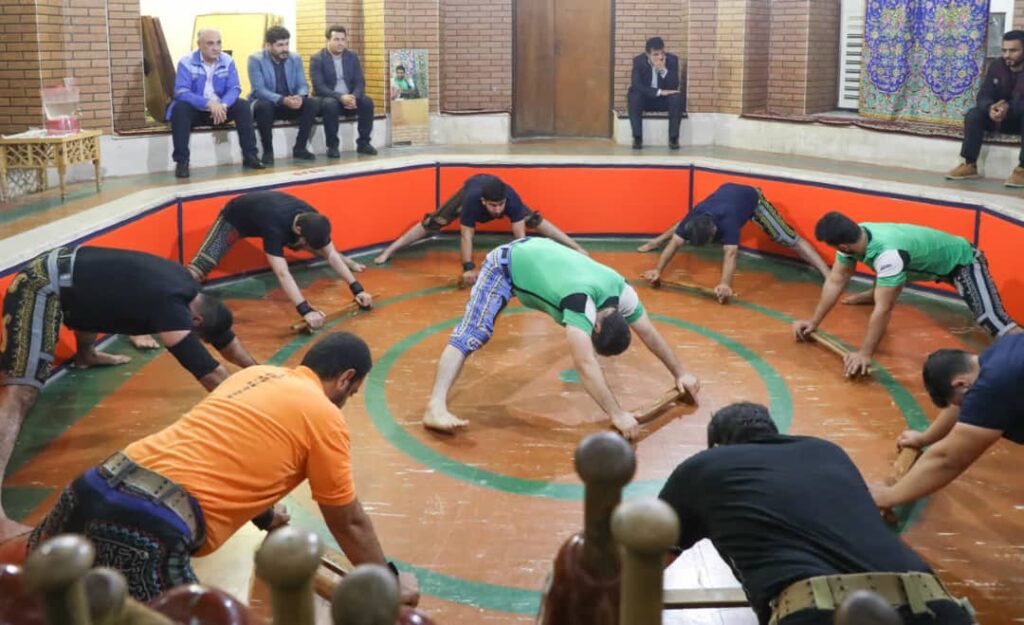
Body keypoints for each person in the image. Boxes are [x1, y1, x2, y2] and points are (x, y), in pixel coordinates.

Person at [24, 332, 420, 607]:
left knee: (35, 602)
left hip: (94, 483)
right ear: (346, 379)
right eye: (352, 392)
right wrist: (385, 581)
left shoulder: (254, 375)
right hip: (149, 525)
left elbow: (221, 446)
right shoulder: (325, 417)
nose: (348, 400)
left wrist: (265, 515)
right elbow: (348, 521)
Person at [0, 246, 256, 540]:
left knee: (94, 300)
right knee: (21, 391)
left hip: (75, 282)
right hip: (41, 283)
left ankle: (86, 355)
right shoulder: (171, 306)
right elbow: (208, 372)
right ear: (195, 321)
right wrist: (253, 407)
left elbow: (227, 342)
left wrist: (265, 377)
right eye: (196, 333)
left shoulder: (189, 290)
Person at [658, 402, 974, 625]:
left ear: (716, 447)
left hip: (819, 611)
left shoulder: (703, 467)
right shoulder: (827, 451)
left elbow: (649, 556)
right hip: (932, 603)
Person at [422, 237, 701, 438]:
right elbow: (585, 365)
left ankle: (436, 405)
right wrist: (617, 414)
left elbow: (649, 333)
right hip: (506, 264)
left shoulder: (622, 291)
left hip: (539, 254)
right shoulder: (580, 304)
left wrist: (681, 373)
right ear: (596, 328)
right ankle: (435, 407)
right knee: (474, 334)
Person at [792, 212, 1020, 377]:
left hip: (963, 262)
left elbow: (884, 309)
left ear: (842, 246)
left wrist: (864, 354)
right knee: (887, 280)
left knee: (992, 320)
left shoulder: (888, 254)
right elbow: (836, 279)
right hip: (920, 263)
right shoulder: (858, 233)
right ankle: (875, 292)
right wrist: (813, 322)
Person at [872, 335, 1024, 511]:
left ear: (960, 383)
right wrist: (924, 438)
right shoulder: (1003, 349)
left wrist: (888, 497)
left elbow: (948, 459)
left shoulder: (992, 387)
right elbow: (965, 407)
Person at [187, 191, 372, 330]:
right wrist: (305, 310)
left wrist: (358, 289)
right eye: (304, 240)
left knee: (317, 248)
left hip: (267, 214)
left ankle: (348, 262)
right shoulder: (274, 228)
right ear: (298, 230)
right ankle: (175, 295)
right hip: (234, 217)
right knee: (200, 267)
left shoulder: (314, 219)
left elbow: (330, 254)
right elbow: (282, 273)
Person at [372, 174, 587, 285]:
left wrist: (522, 266)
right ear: (484, 202)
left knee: (534, 219)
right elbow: (466, 237)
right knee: (434, 222)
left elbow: (520, 240)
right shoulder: (472, 200)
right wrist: (468, 267)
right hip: (472, 185)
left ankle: (575, 246)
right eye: (493, 206)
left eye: (500, 205)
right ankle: (390, 250)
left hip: (497, 190)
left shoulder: (511, 199)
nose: (498, 210)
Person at [640, 183, 830, 303]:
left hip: (753, 200)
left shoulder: (728, 221)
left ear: (714, 231)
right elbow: (675, 243)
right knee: (680, 228)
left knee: (788, 238)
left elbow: (730, 255)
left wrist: (725, 284)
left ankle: (828, 274)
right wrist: (658, 270)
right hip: (725, 193)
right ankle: (656, 242)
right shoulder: (694, 216)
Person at [167, 28, 264, 179]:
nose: (216, 48)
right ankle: (182, 162)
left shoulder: (227, 60)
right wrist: (208, 103)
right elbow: (181, 92)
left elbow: (235, 87)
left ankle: (250, 155)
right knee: (180, 109)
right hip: (197, 111)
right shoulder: (186, 62)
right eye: (210, 43)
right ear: (199, 45)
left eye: (219, 43)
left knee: (243, 106)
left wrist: (223, 105)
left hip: (221, 110)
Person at [946, 30, 1024, 187]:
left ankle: (1022, 169)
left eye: (1013, 51)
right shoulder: (997, 66)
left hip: (1019, 119)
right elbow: (984, 94)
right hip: (999, 118)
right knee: (974, 115)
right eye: (1004, 50)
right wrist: (990, 108)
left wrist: (1009, 108)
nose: (1007, 55)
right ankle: (969, 164)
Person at [248, 26, 319, 164]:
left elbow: (302, 84)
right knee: (264, 106)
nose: (285, 48)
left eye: (287, 44)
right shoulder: (255, 60)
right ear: (268, 46)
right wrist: (282, 99)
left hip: (289, 102)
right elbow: (259, 90)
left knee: (311, 103)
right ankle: (268, 151)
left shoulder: (295, 58)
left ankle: (300, 147)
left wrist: (300, 96)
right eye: (280, 45)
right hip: (268, 103)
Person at [310, 25, 377, 157]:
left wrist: (354, 97)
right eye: (336, 39)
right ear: (328, 40)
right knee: (330, 104)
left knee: (367, 102)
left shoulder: (352, 57)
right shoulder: (317, 58)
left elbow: (359, 81)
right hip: (328, 99)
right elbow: (319, 87)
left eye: (343, 39)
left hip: (349, 99)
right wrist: (341, 97)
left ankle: (363, 143)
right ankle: (332, 146)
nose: (340, 43)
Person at [627, 36, 685, 150]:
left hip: (664, 101)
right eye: (656, 54)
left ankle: (673, 138)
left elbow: (674, 85)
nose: (660, 57)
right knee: (634, 95)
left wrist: (664, 70)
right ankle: (637, 137)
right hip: (646, 99)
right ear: (647, 55)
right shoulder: (639, 61)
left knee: (677, 97)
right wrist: (659, 92)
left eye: (662, 53)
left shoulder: (672, 60)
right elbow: (636, 84)